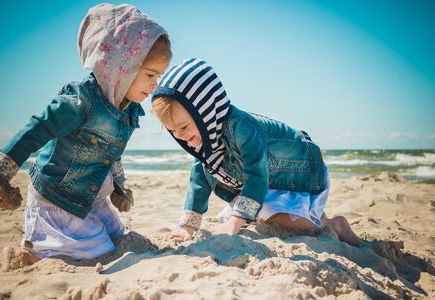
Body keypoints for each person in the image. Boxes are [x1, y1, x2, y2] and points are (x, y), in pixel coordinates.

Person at [0, 3, 171, 271]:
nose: (155, 84)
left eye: (159, 76)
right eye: (150, 75)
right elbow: (37, 130)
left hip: (92, 195)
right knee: (94, 251)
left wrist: (119, 189)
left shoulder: (130, 110)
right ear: (121, 66)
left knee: (115, 237)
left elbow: (112, 154)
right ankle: (29, 255)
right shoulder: (81, 100)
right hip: (57, 196)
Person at [151, 58, 361, 246]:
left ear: (205, 111)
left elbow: (257, 176)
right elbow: (199, 181)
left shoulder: (243, 127)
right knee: (269, 214)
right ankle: (322, 221)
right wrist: (188, 226)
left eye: (184, 127)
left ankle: (334, 225)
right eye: (172, 131)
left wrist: (235, 222)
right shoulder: (205, 142)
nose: (179, 135)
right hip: (270, 176)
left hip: (297, 167)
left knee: (277, 216)